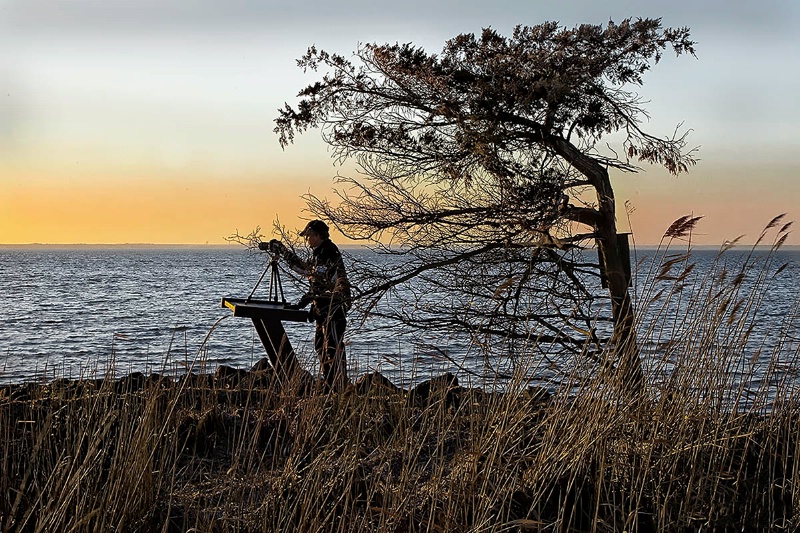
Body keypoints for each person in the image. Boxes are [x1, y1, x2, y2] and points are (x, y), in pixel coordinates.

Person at [260, 220, 351, 391]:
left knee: (332, 346)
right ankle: (331, 383)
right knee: (320, 345)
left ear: (317, 235)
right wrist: (285, 252)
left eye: (308, 236)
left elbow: (320, 282)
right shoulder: (319, 253)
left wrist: (303, 302)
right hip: (323, 307)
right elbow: (306, 270)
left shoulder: (327, 252)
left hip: (333, 307)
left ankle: (338, 386)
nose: (307, 240)